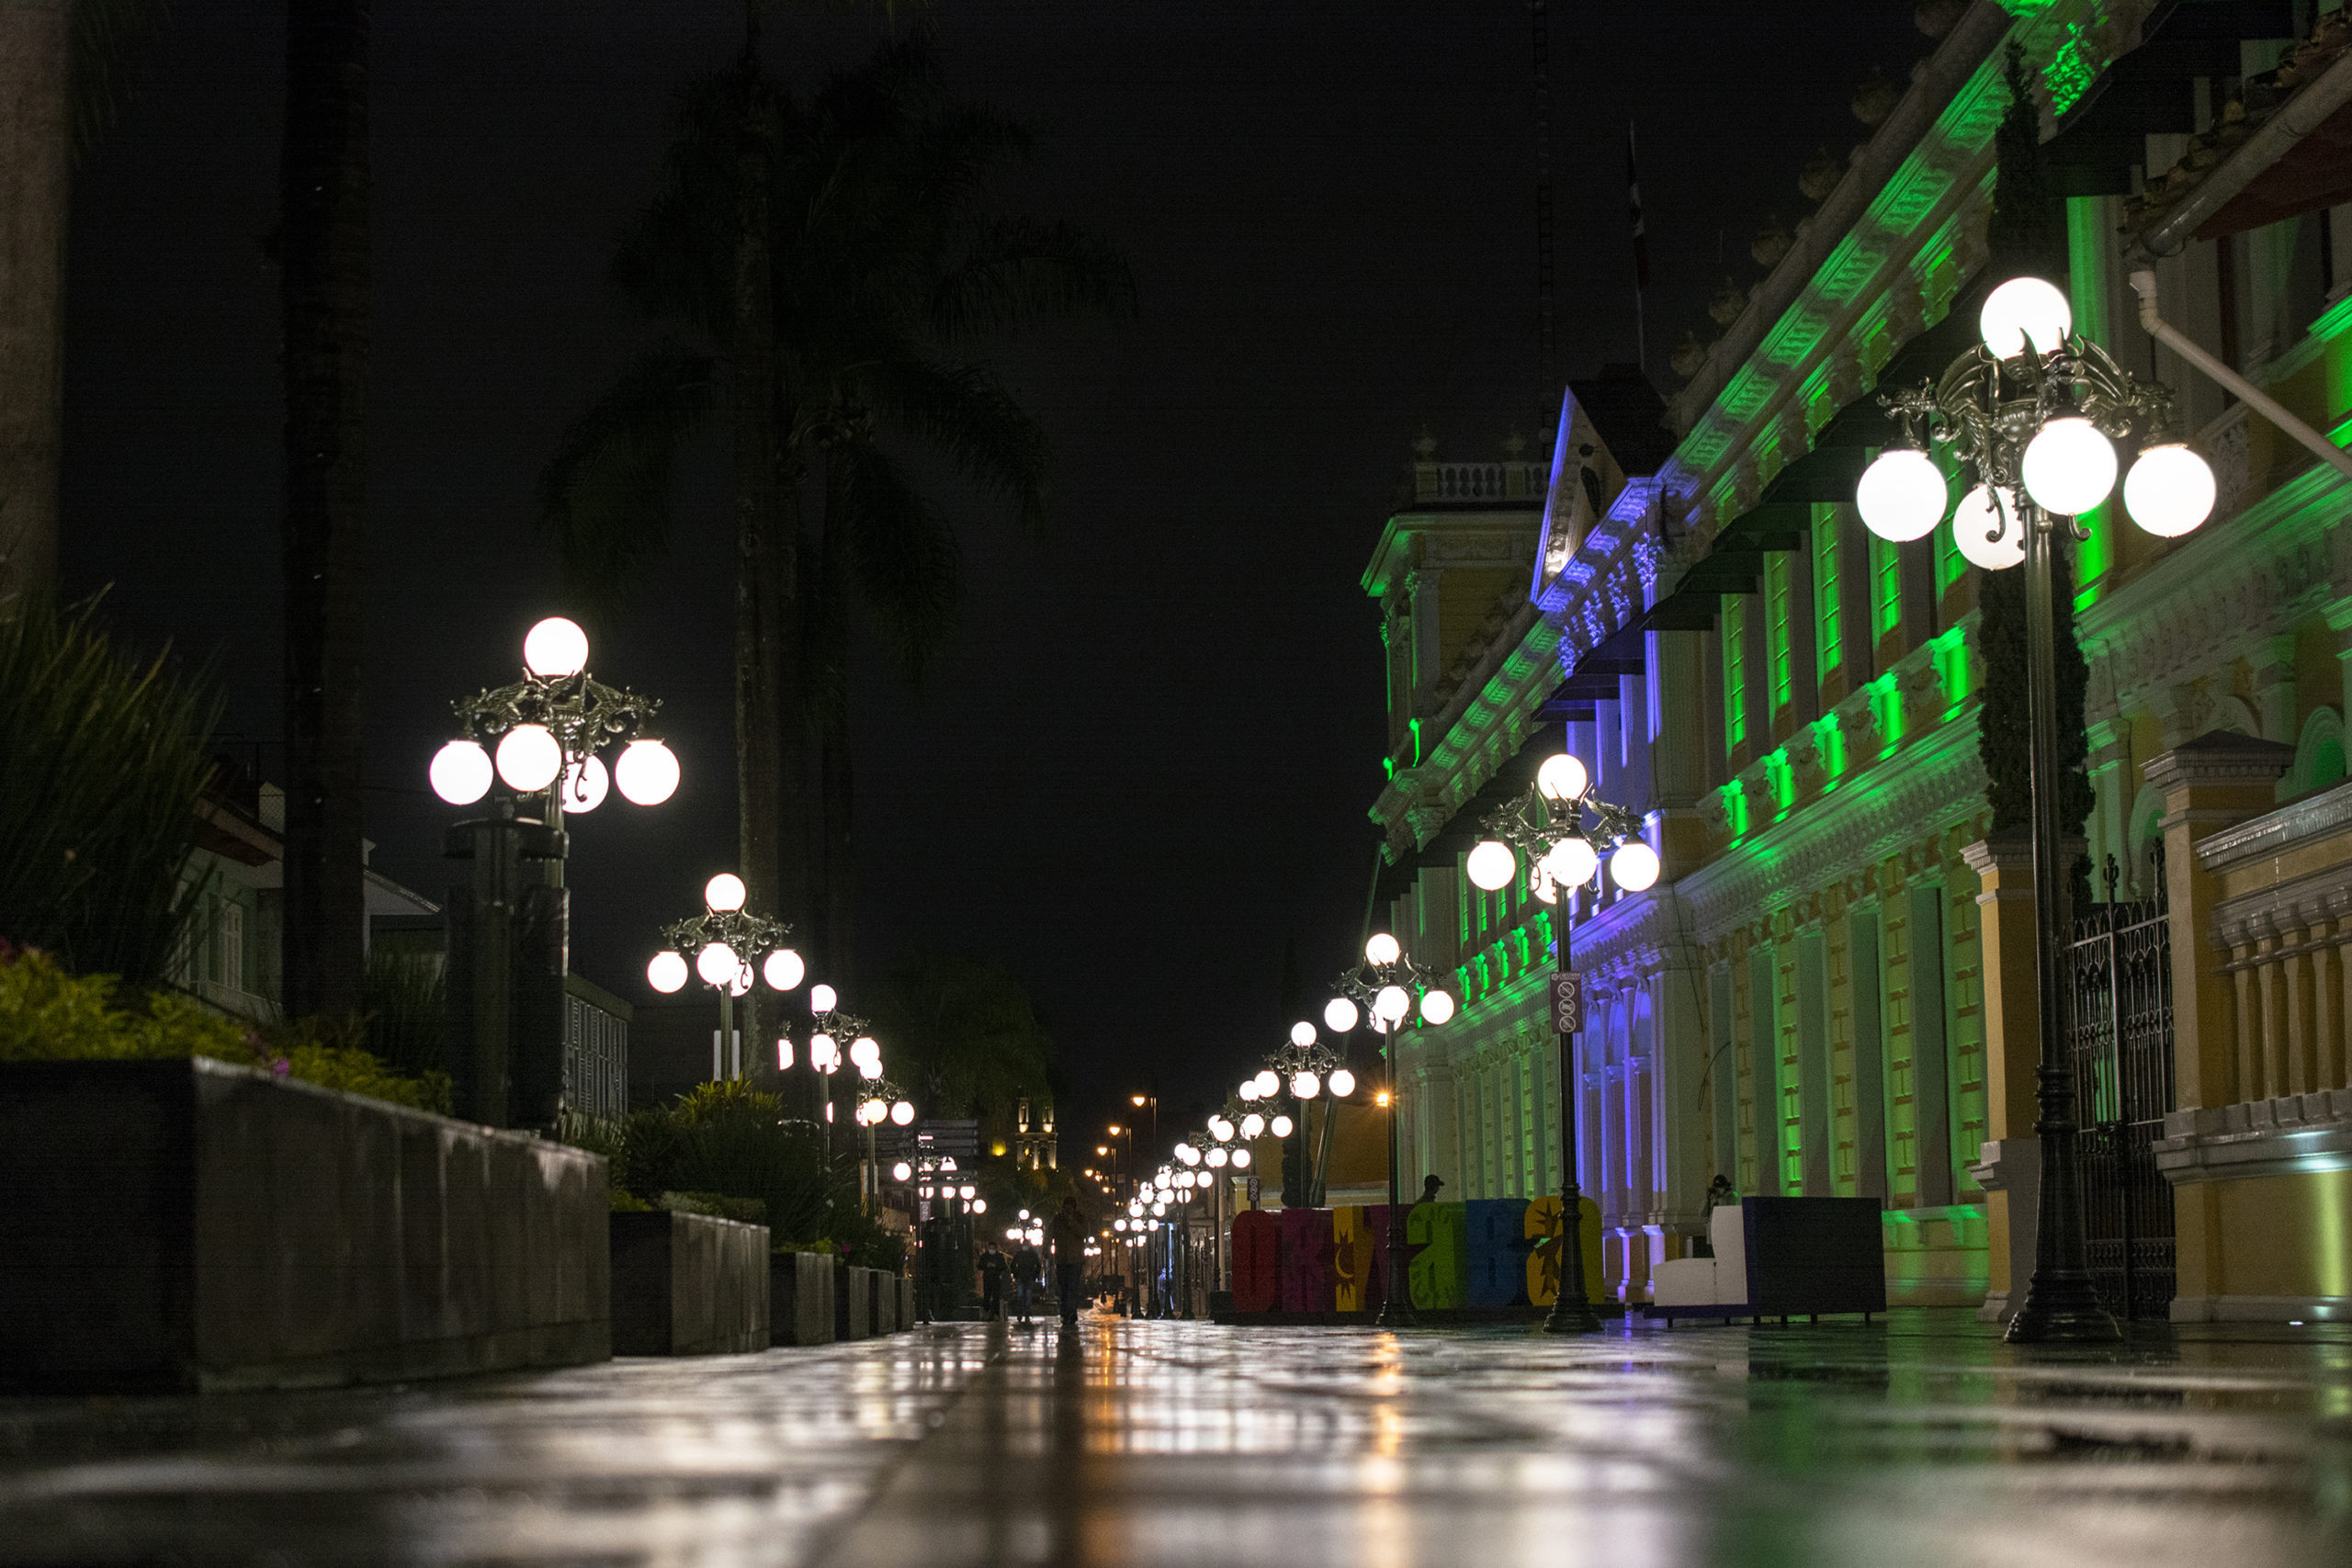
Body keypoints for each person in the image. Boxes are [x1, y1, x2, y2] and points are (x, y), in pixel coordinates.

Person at [1048, 1196, 1088, 1329]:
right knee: (1063, 1288)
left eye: (1071, 1206)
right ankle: (1065, 1312)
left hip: (1076, 1260)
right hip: (1061, 1259)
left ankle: (1070, 1313)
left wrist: (1072, 1222)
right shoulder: (1057, 1219)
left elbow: (1084, 1233)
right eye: (1066, 1206)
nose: (1068, 1209)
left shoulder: (1080, 1218)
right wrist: (1047, 1250)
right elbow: (1049, 1235)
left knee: (1072, 1288)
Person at [1011, 1236, 1044, 1325]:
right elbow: (1013, 1265)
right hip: (1021, 1277)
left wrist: (1034, 1276)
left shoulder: (1032, 1255)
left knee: (1027, 1296)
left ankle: (1027, 1313)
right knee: (1021, 1295)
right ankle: (1021, 1312)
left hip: (1028, 1277)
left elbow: (1038, 1266)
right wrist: (1016, 1274)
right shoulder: (1020, 1254)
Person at [978, 1240, 1009, 1320]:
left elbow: (1004, 1267)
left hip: (996, 1278)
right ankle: (986, 1312)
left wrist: (996, 1266)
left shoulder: (999, 1256)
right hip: (987, 1278)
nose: (992, 1249)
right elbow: (979, 1266)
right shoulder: (984, 1256)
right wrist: (986, 1265)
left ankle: (996, 1314)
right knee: (986, 1296)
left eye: (993, 1248)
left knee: (996, 1297)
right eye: (990, 1248)